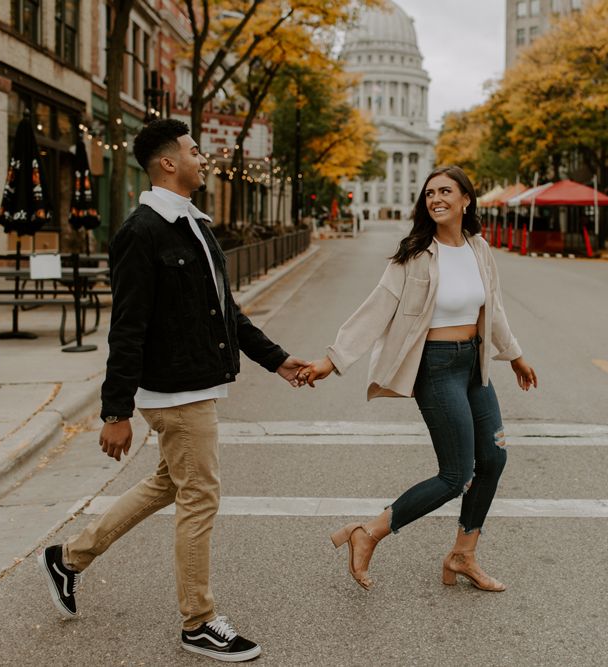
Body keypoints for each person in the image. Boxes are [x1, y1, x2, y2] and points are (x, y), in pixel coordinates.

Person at [38, 118, 307, 663]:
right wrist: (115, 410)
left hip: (196, 382)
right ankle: (199, 621)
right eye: (192, 150)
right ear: (168, 163)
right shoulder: (142, 232)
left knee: (168, 484)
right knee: (200, 496)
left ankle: (68, 559)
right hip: (174, 392)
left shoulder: (193, 224)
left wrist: (276, 360)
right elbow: (128, 325)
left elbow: (225, 310)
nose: (201, 157)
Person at [300, 165, 537, 593]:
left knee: (494, 460)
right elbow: (376, 309)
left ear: (467, 199)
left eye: (446, 191)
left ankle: (462, 555)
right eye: (430, 194)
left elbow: (494, 310)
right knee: (456, 474)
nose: (436, 199)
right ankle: (368, 532)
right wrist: (331, 361)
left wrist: (515, 356)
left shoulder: (479, 248)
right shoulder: (415, 254)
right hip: (436, 364)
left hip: (475, 364)